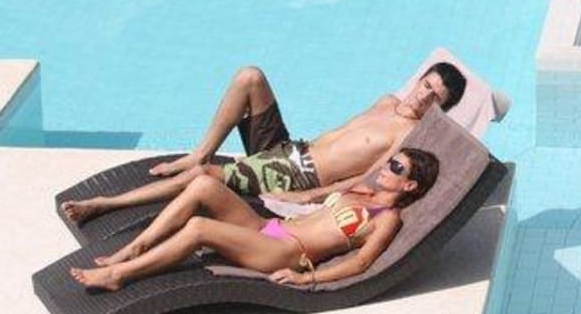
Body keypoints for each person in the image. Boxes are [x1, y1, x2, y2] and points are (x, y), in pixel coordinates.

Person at [60, 60, 466, 223]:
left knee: (206, 176)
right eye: (426, 84)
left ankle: (105, 203)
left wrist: (309, 197)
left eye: (435, 96)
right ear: (419, 78)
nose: (423, 95)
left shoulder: (408, 136)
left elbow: (365, 179)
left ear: (441, 108)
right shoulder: (387, 101)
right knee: (249, 78)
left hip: (297, 176)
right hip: (290, 150)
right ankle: (198, 153)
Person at [70, 148, 440, 291]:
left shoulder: (387, 218)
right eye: (390, 162)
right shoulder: (361, 190)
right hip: (266, 229)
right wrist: (289, 197)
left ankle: (120, 274)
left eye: (396, 168)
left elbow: (361, 263)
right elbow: (313, 196)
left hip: (285, 252)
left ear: (410, 185)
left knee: (199, 228)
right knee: (203, 184)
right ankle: (136, 247)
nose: (386, 168)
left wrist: (306, 278)